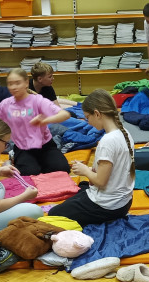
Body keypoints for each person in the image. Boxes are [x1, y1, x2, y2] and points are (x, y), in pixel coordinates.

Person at [48, 89, 135, 226]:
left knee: (54, 214)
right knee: (82, 188)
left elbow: (100, 182)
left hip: (109, 207)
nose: (88, 122)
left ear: (97, 114)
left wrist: (85, 171)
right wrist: (89, 169)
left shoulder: (108, 141)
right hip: (124, 202)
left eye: (88, 117)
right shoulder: (125, 132)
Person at [0, 68, 71, 175]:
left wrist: (45, 120)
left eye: (17, 83)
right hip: (22, 148)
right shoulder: (5, 104)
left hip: (45, 146)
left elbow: (65, 114)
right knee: (30, 173)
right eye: (10, 84)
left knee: (62, 169)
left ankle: (41, 163)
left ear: (26, 83)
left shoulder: (37, 100)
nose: (14, 87)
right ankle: (16, 157)